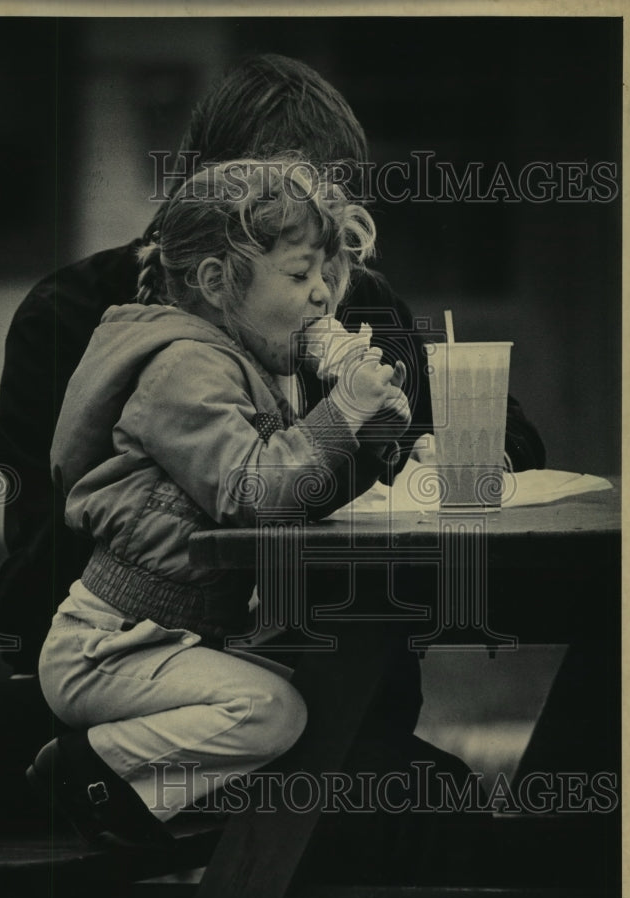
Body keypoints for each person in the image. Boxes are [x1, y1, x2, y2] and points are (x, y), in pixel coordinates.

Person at [0, 53, 545, 846]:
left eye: (331, 219)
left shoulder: (361, 304)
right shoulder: (77, 312)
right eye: (289, 224)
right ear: (214, 205)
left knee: (445, 810)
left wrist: (435, 450)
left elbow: (508, 434)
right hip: (135, 672)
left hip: (325, 672)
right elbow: (37, 556)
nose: (323, 280)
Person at [25, 157, 417, 846]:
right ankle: (90, 774)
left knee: (318, 703)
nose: (323, 295)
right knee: (272, 712)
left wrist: (376, 431)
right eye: (299, 275)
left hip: (174, 641)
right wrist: (338, 415)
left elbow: (302, 494)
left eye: (328, 274)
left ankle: (178, 819)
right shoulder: (184, 366)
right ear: (214, 283)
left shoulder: (251, 363)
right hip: (108, 648)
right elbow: (255, 495)